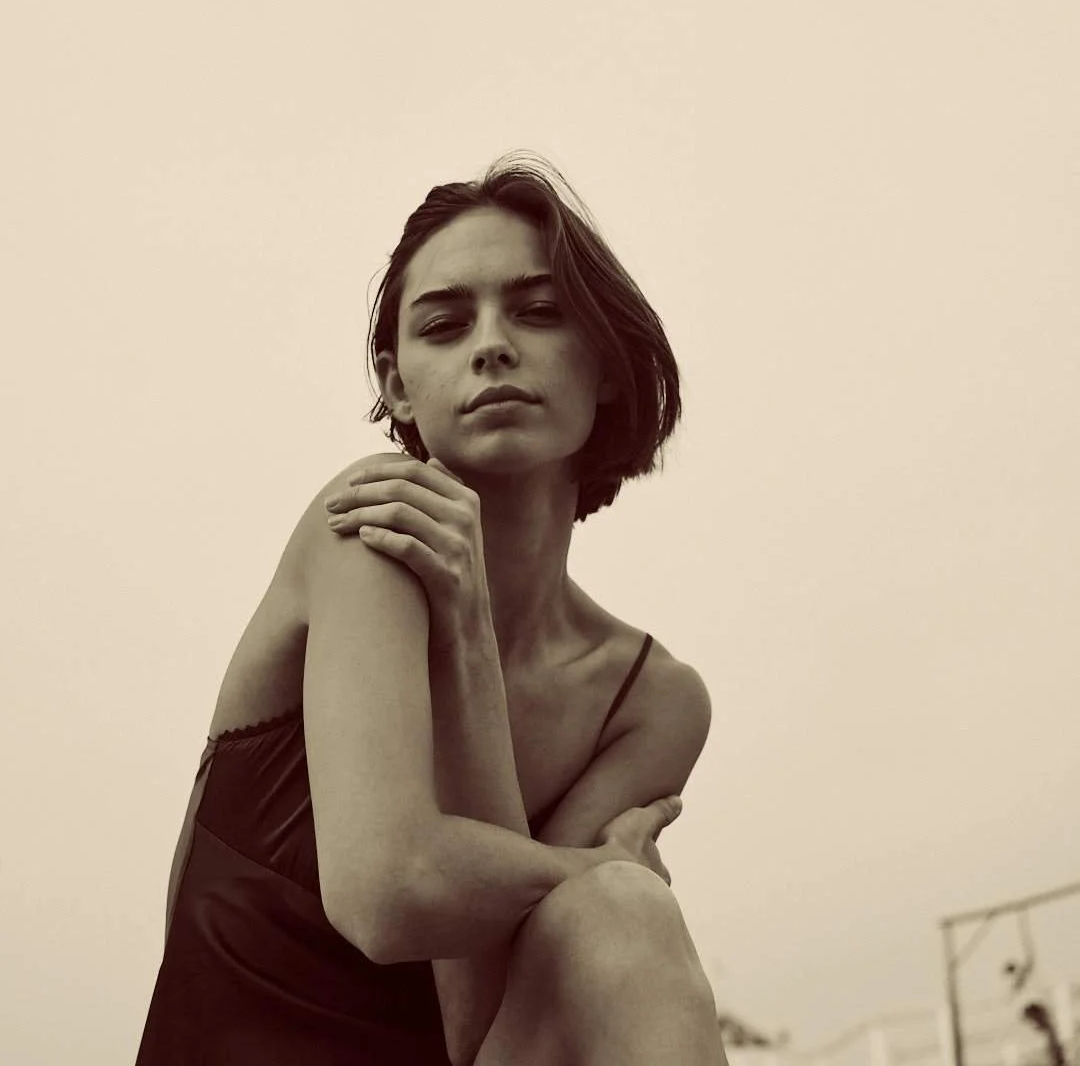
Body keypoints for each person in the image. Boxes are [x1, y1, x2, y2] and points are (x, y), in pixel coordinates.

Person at [136, 151, 725, 1065]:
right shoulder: (368, 532)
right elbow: (390, 894)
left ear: (608, 363)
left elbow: (477, 1016)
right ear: (399, 385)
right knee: (620, 893)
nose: (492, 344)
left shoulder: (651, 701)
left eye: (537, 311)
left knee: (625, 919)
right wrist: (593, 866)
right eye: (445, 325)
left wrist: (469, 640)